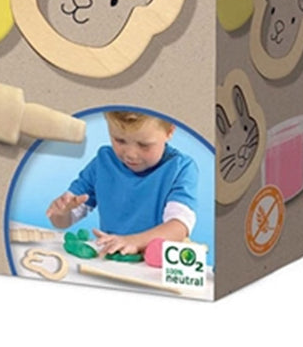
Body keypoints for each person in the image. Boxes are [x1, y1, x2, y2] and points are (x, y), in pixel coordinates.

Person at [46, 110, 197, 256]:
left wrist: (134, 241)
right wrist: (61, 212)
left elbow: (179, 227)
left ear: (169, 131)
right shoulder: (103, 162)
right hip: (112, 258)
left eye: (144, 145)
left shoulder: (180, 168)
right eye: (120, 140)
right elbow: (63, 221)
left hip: (155, 265)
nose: (131, 154)